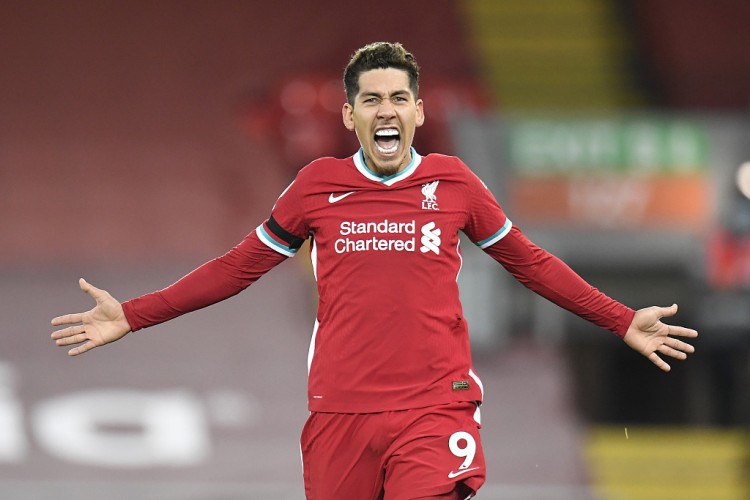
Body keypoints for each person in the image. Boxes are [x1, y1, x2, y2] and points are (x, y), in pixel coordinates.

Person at [51, 42, 698, 499]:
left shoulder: (454, 184)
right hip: (340, 413)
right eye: (371, 100)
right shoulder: (316, 187)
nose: (386, 110)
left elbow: (529, 263)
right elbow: (238, 267)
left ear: (418, 112)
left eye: (398, 98)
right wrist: (133, 315)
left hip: (434, 407)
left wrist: (620, 319)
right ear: (349, 115)